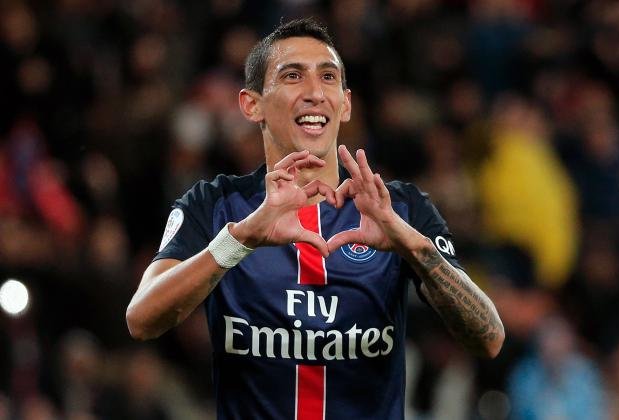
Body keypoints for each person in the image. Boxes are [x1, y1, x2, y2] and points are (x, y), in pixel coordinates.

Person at [126, 18, 504, 419]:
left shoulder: (399, 210)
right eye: (292, 76)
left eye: (328, 77)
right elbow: (142, 319)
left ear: (346, 103)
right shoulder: (214, 206)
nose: (314, 93)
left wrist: (413, 247)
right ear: (252, 105)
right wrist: (239, 241)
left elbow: (489, 339)